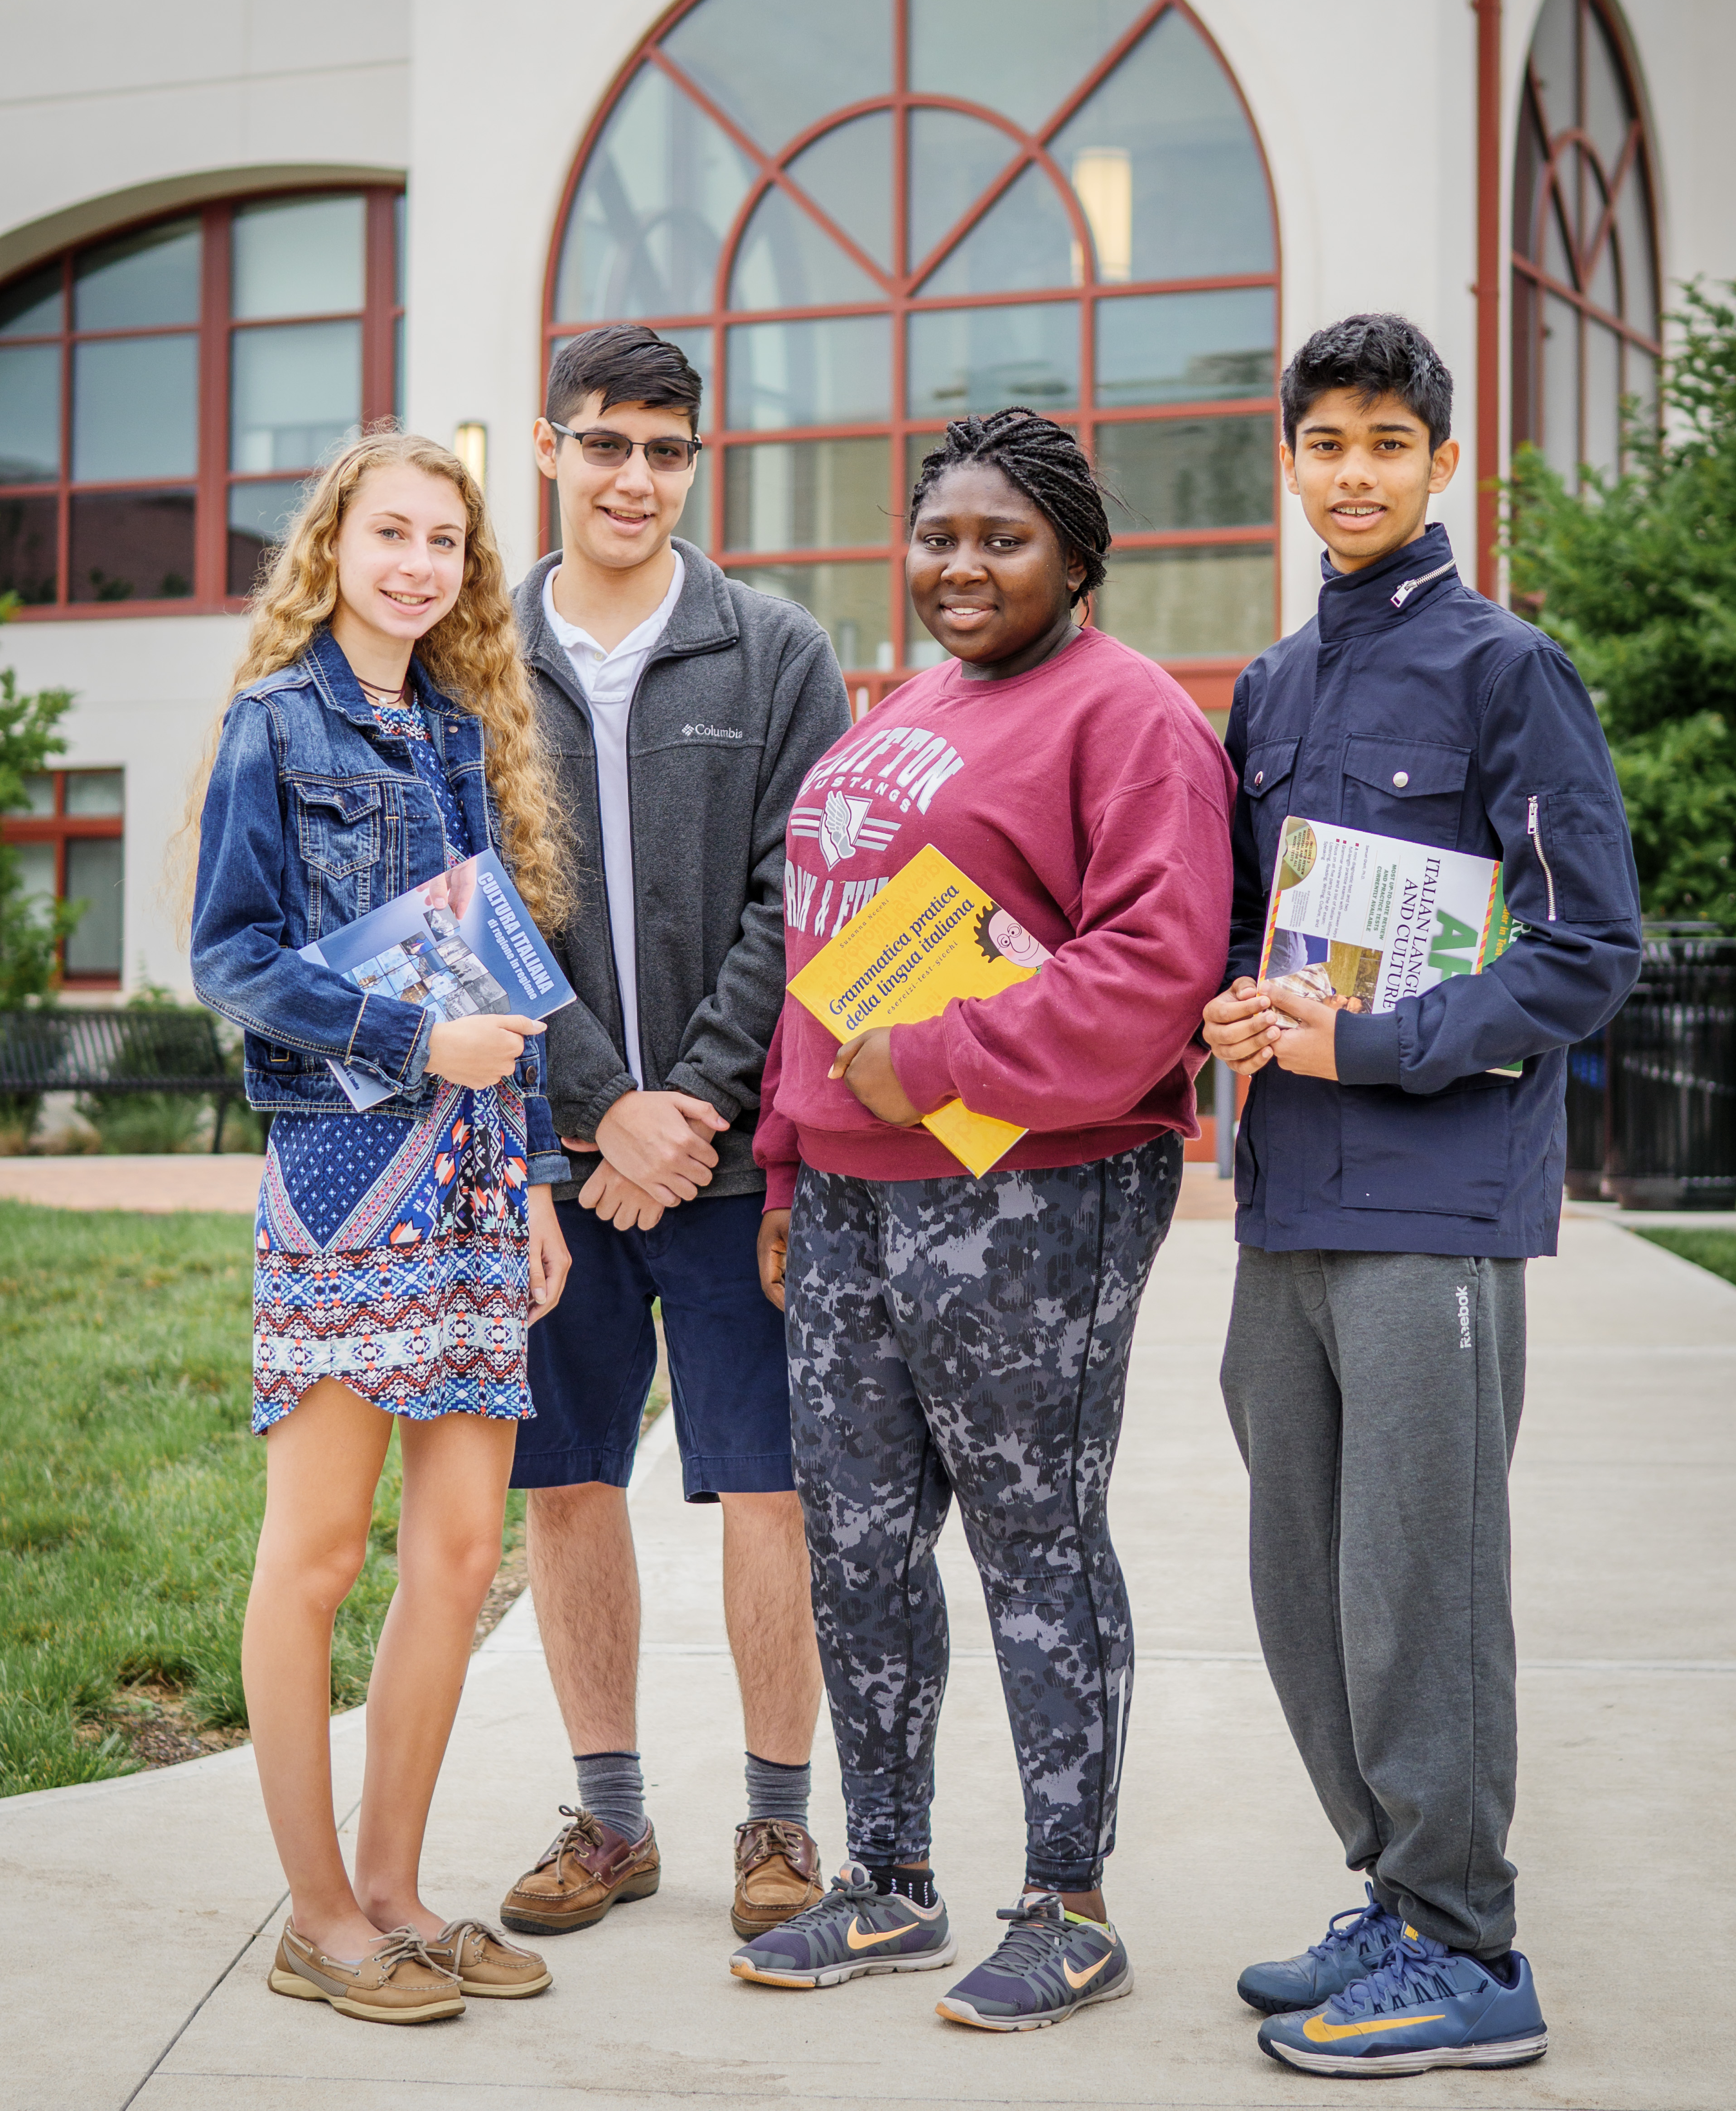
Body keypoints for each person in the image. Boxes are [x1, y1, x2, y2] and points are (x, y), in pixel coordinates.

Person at [733, 408, 1236, 2029]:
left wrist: (933, 1060)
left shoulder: (1133, 719)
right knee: (864, 1550)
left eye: (1001, 538)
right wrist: (793, 1167)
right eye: (939, 535)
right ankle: (887, 1880)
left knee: (1034, 1545)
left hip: (1039, 1188)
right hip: (859, 1202)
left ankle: (1068, 1902)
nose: (961, 566)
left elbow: (1154, 973)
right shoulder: (909, 709)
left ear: (1079, 556)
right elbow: (831, 950)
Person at [1204, 315, 1641, 2077]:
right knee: (1304, 1586)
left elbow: (1588, 952)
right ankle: (1392, 1894)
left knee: (1420, 1589)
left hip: (1435, 1208)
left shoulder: (1507, 672)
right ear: (1290, 462)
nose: (1359, 470)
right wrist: (1243, 1006)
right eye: (1329, 442)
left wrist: (1372, 1043)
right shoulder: (1274, 688)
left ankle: (1473, 1951)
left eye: (1393, 440)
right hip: (1288, 1203)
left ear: (1440, 463)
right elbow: (1260, 933)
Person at [189, 431, 575, 2025]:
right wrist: (415, 1045)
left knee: (465, 1551)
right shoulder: (273, 725)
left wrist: (540, 1170)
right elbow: (233, 956)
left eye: (444, 542)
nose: (416, 564)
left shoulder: (466, 735)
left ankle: (402, 1890)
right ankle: (316, 1913)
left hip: (484, 1176)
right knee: (323, 1554)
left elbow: (501, 969)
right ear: (332, 547)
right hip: (351, 1175)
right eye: (388, 533)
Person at [497, 326, 851, 1946]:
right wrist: (596, 1109)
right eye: (605, 444)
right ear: (550, 450)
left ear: (694, 465)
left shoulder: (776, 651)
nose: (633, 477)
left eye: (664, 449)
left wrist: (691, 1107)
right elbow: (473, 911)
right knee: (567, 1486)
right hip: (550, 1176)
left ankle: (779, 1829)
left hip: (732, 1160)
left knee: (767, 1487)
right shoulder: (473, 662)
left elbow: (804, 897)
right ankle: (611, 1818)